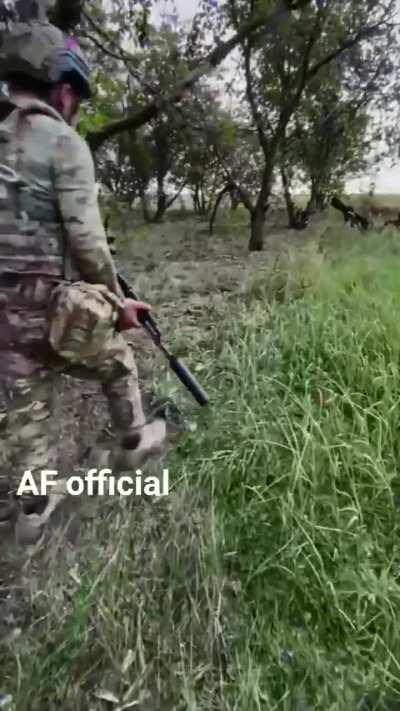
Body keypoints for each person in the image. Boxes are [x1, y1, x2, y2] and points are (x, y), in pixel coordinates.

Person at [0, 20, 166, 544]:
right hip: (50, 310)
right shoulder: (64, 143)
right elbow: (89, 243)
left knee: (27, 406)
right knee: (118, 360)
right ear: (64, 90)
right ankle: (134, 441)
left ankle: (32, 510)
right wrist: (120, 305)